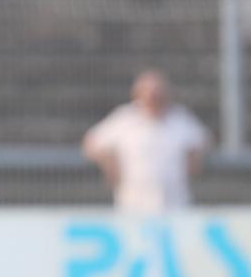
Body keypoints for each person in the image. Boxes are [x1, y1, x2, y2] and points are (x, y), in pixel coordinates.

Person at [82, 70, 210, 213]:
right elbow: (91, 142)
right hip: (133, 204)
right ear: (137, 94)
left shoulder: (180, 118)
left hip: (175, 203)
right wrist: (108, 162)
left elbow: (203, 140)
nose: (153, 97)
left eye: (157, 92)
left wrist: (194, 157)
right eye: (148, 92)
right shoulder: (124, 119)